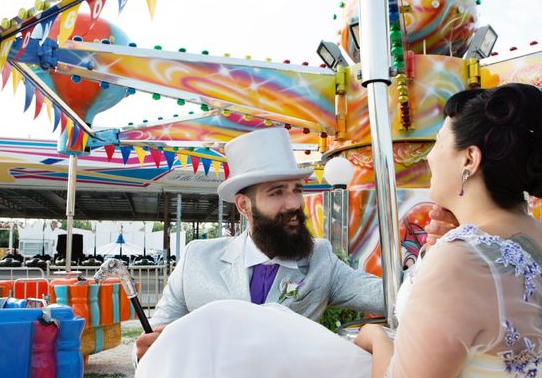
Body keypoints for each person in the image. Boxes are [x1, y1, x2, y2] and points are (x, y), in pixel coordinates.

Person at [136, 83, 542, 378]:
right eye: (275, 191)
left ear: (468, 159)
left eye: (437, 145)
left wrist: (376, 336)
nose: (428, 158)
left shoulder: (458, 261)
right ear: (244, 204)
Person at [135, 128, 388, 360]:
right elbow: (152, 343)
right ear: (244, 205)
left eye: (296, 190)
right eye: (277, 192)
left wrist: (427, 259)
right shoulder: (197, 260)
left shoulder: (320, 259)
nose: (294, 204)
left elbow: (389, 296)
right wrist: (147, 355)